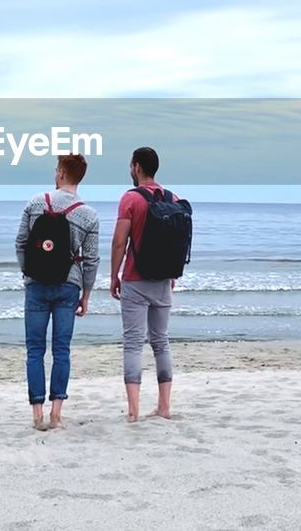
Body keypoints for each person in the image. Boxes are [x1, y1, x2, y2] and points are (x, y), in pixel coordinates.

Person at [15, 154, 99, 431]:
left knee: (35, 350)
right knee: (62, 350)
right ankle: (57, 415)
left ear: (61, 173)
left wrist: (28, 273)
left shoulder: (35, 202)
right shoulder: (88, 214)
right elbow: (91, 259)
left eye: (56, 169)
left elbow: (20, 243)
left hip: (36, 285)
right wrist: (85, 295)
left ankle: (37, 414)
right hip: (68, 286)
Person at [110, 146, 189, 423]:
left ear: (136, 166)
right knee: (161, 342)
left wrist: (113, 275)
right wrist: (172, 276)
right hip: (164, 280)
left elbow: (120, 241)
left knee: (133, 344)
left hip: (135, 278)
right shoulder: (173, 198)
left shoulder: (130, 199)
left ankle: (133, 413)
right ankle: (164, 407)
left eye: (131, 166)